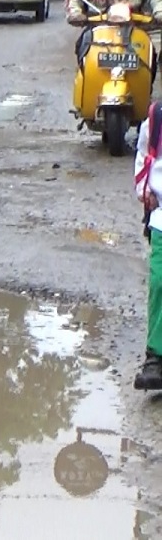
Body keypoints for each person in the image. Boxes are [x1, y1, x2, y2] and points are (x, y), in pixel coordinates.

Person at [134, 114, 162, 390]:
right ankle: (155, 356)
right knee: (158, 282)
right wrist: (145, 191)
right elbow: (143, 155)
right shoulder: (156, 120)